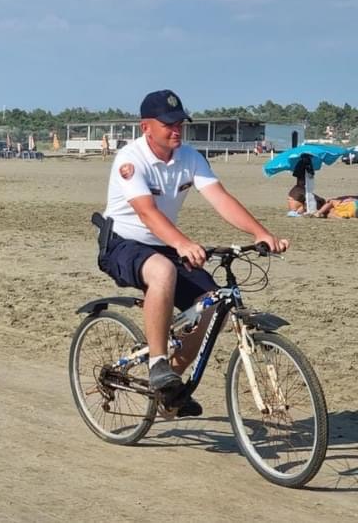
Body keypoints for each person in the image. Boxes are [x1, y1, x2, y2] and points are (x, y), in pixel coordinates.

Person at [97, 90, 288, 416]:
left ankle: (169, 392)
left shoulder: (190, 157)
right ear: (146, 126)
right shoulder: (131, 159)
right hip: (123, 243)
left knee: (212, 304)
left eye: (180, 123)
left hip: (164, 243)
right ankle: (158, 363)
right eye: (168, 124)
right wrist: (183, 243)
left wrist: (261, 233)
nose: (176, 130)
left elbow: (220, 199)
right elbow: (146, 213)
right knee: (162, 271)